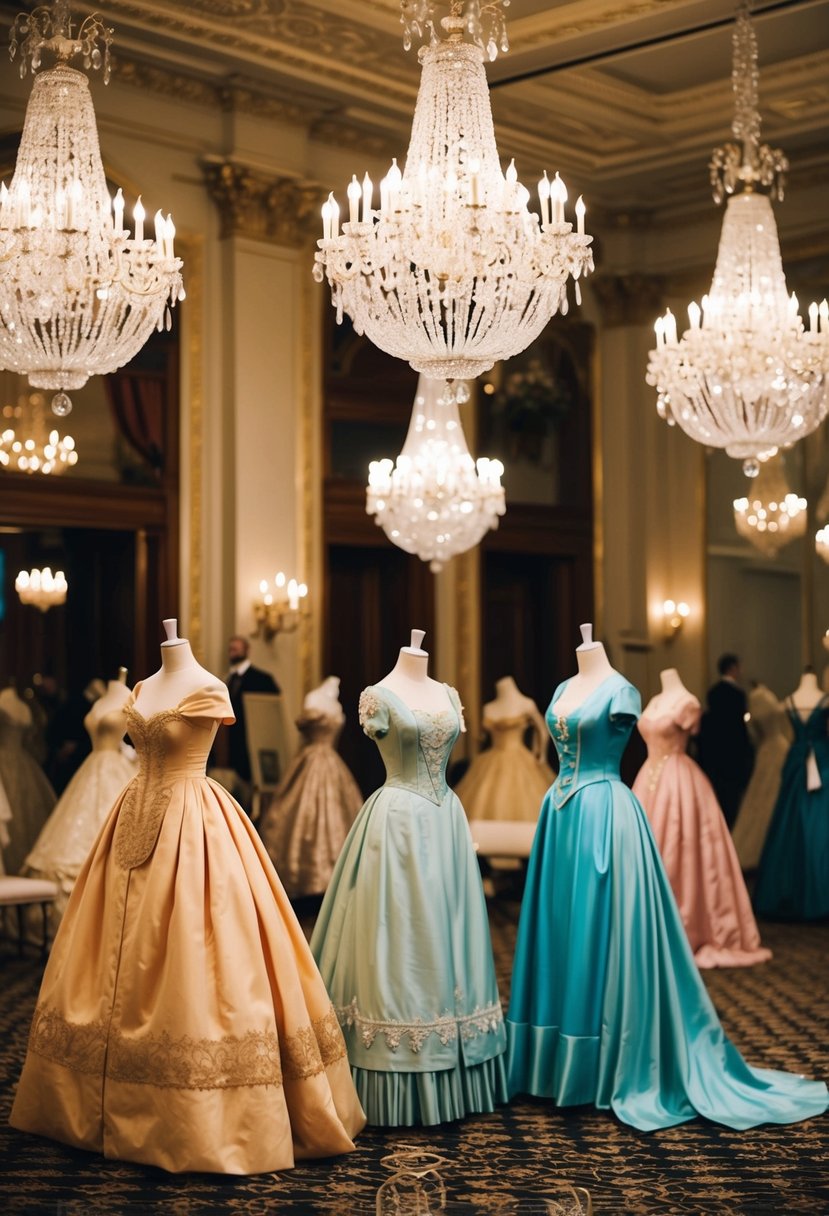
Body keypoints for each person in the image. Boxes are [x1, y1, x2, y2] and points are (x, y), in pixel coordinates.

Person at [697, 653, 753, 829]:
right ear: (732, 668)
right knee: (733, 797)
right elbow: (740, 728)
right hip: (733, 752)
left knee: (719, 795)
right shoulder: (738, 694)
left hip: (715, 752)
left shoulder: (712, 692)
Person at [224, 635, 279, 793]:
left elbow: (271, 714)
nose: (232, 653)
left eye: (236, 649)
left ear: (247, 650)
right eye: (230, 649)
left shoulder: (262, 679)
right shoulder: (228, 680)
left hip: (254, 744)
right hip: (232, 746)